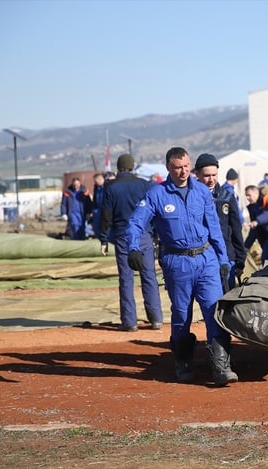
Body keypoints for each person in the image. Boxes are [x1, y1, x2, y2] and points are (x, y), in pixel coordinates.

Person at [125, 147, 237, 386]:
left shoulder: (202, 192)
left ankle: (221, 366)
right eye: (178, 167)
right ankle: (183, 361)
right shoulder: (156, 195)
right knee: (182, 314)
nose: (184, 171)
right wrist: (132, 247)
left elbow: (214, 227)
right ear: (168, 168)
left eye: (187, 166)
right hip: (177, 262)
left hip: (205, 258)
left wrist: (223, 260)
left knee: (213, 309)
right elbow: (136, 223)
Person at [100, 154, 163, 332]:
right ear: (132, 166)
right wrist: (156, 234)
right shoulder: (143, 185)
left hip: (123, 237)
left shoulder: (111, 188)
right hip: (143, 235)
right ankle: (156, 318)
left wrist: (103, 238)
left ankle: (129, 322)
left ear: (119, 168)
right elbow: (153, 211)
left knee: (126, 279)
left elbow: (106, 216)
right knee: (149, 276)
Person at [194, 153, 247, 288]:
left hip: (226, 255)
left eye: (214, 175)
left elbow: (236, 228)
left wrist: (240, 258)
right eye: (207, 176)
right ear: (197, 175)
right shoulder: (191, 198)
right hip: (201, 256)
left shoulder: (226, 197)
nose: (211, 179)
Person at [90, 173, 105, 239]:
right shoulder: (96, 188)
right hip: (97, 211)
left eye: (96, 181)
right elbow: (94, 200)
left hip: (105, 210)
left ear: (100, 179)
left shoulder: (107, 187)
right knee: (96, 227)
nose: (95, 183)